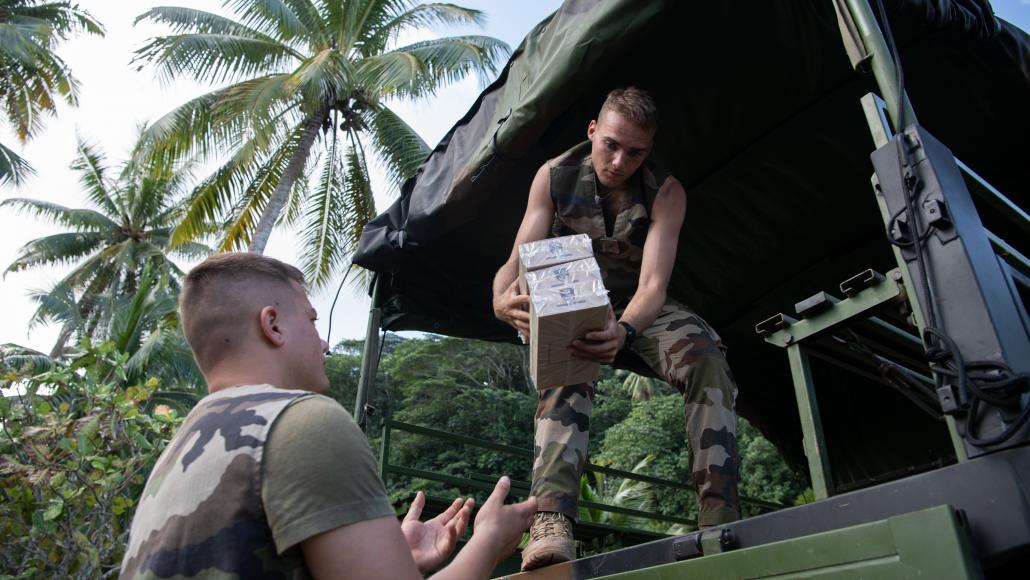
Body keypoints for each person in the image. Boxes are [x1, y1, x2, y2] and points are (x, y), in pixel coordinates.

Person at [122, 252, 537, 579]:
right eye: (312, 321)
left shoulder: (177, 454)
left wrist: (397, 560)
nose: (325, 345)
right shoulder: (302, 422)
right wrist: (488, 542)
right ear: (273, 325)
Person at [492, 87, 741, 571]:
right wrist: (501, 298)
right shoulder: (553, 175)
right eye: (610, 144)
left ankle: (718, 517)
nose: (619, 160)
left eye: (635, 152)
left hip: (634, 305)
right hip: (571, 296)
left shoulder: (666, 191)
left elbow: (652, 286)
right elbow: (514, 263)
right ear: (592, 132)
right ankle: (550, 521)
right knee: (567, 361)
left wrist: (624, 330)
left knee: (707, 357)